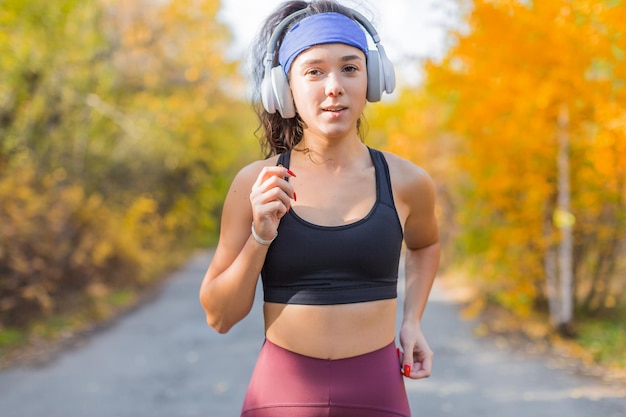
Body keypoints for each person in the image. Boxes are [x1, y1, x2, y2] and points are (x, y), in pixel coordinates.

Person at [199, 1, 440, 415]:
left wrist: (412, 320)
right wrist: (260, 235)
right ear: (284, 88)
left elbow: (425, 245)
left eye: (350, 68)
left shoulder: (407, 181)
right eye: (314, 71)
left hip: (379, 395)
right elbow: (219, 317)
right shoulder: (255, 184)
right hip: (280, 396)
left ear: (374, 79)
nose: (334, 86)